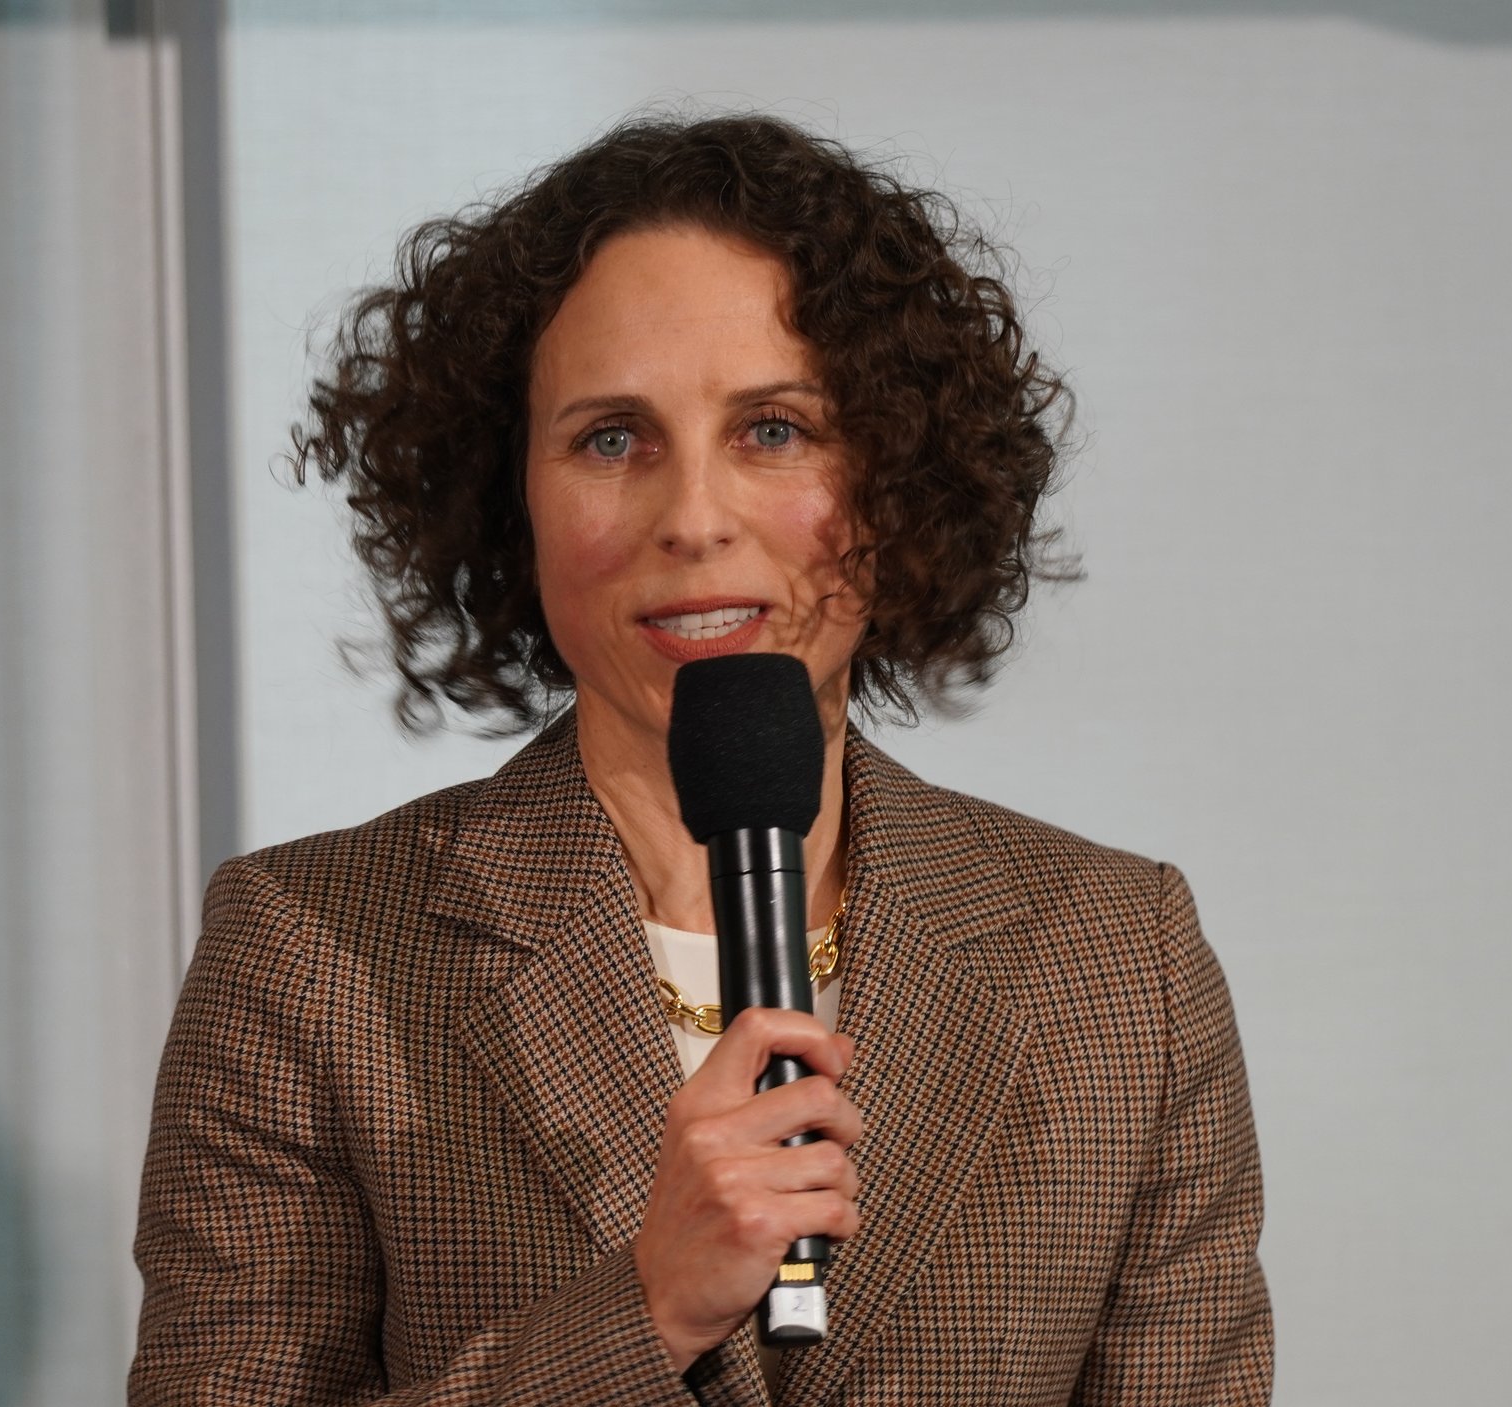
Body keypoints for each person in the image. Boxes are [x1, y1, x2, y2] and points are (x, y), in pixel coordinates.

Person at [129, 113, 1272, 1406]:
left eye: (773, 429)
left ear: (901, 474)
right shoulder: (311, 948)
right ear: (509, 501)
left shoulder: (1121, 960)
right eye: (612, 437)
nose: (693, 518)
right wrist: (644, 1311)